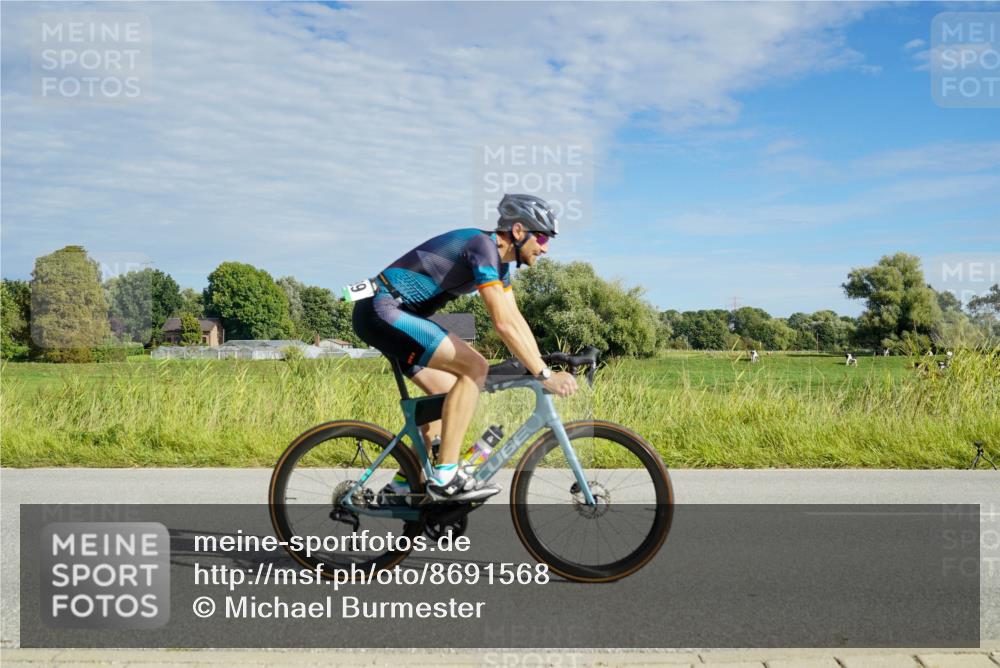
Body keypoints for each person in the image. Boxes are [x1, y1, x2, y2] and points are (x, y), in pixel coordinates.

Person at [351, 194, 579, 503]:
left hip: (392, 314)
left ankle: (404, 486)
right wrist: (544, 375)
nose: (545, 247)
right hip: (383, 310)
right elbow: (502, 324)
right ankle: (445, 476)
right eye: (540, 236)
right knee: (475, 367)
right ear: (518, 231)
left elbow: (516, 318)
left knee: (447, 402)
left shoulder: (499, 266)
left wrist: (540, 360)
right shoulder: (482, 247)